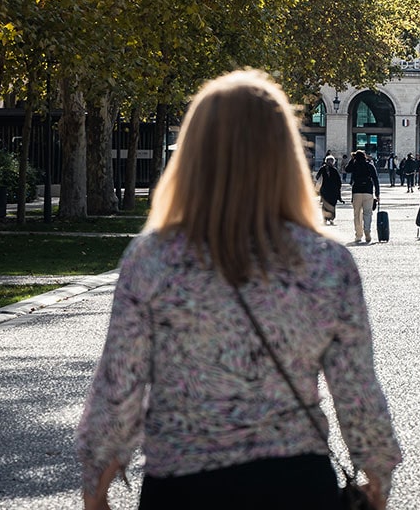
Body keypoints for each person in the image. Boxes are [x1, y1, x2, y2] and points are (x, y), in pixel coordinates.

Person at [76, 69, 399, 510]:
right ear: (286, 154)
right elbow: (356, 386)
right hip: (295, 480)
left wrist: (98, 477)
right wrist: (377, 469)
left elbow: (120, 383)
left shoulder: (153, 259)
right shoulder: (326, 263)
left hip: (182, 482)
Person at [345, 150, 380, 244]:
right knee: (368, 213)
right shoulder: (369, 165)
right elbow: (375, 179)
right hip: (368, 191)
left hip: (356, 191)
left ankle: (358, 235)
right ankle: (367, 230)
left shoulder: (354, 165)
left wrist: (352, 160)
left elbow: (346, 169)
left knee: (357, 214)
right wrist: (377, 193)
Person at [315, 155, 342, 226]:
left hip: (325, 189)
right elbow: (338, 181)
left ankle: (325, 219)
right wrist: (338, 190)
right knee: (332, 204)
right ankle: (331, 219)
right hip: (333, 190)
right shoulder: (334, 170)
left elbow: (317, 177)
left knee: (325, 204)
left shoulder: (322, 168)